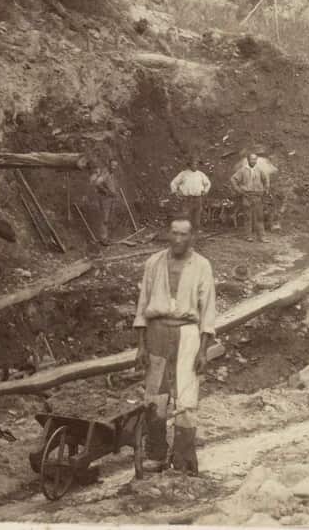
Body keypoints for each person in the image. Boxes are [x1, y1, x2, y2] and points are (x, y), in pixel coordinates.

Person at [133, 216, 217, 473]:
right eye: (174, 233)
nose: (178, 239)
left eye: (184, 234)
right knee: (155, 396)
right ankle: (157, 455)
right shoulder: (154, 263)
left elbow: (208, 309)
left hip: (187, 334)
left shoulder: (201, 265)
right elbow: (142, 304)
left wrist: (203, 350)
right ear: (168, 234)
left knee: (187, 397)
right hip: (157, 332)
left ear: (192, 237)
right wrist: (141, 345)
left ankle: (184, 460)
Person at [231, 153, 269, 242]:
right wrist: (239, 190)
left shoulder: (259, 170)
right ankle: (248, 236)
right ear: (248, 160)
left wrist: (266, 188)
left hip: (257, 196)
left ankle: (262, 237)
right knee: (248, 217)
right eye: (252, 159)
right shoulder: (243, 170)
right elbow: (233, 179)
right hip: (247, 195)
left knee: (259, 217)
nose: (254, 161)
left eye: (255, 159)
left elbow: (266, 179)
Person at [170, 157, 211, 233]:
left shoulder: (201, 174)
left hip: (198, 198)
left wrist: (205, 191)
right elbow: (174, 183)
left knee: (197, 216)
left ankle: (195, 232)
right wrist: (175, 192)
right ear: (189, 165)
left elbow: (208, 183)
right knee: (186, 215)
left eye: (197, 164)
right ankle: (185, 232)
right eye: (193, 164)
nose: (195, 166)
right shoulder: (183, 174)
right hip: (187, 199)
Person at [90, 157, 122, 244]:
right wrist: (106, 192)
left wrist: (114, 193)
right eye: (112, 165)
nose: (114, 167)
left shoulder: (112, 174)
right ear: (109, 164)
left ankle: (107, 237)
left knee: (109, 218)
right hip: (105, 199)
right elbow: (97, 183)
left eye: (115, 166)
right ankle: (103, 238)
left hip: (111, 198)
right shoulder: (105, 172)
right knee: (105, 218)